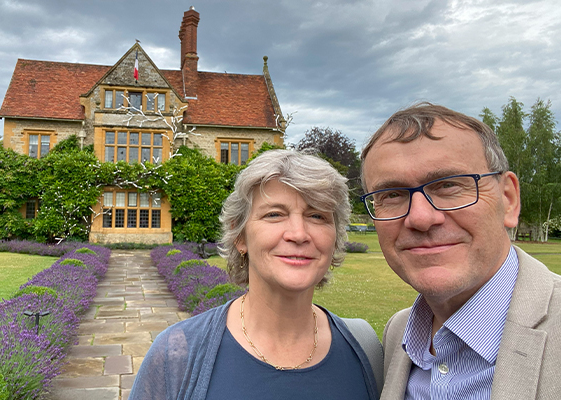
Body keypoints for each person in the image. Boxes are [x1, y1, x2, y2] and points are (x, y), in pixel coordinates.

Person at [129, 150, 381, 399]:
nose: (298, 233)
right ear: (240, 236)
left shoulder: (367, 351)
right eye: (274, 215)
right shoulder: (176, 355)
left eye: (317, 216)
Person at [360, 102, 561, 400]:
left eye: (448, 185)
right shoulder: (397, 333)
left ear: (508, 200)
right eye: (392, 195)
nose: (421, 218)